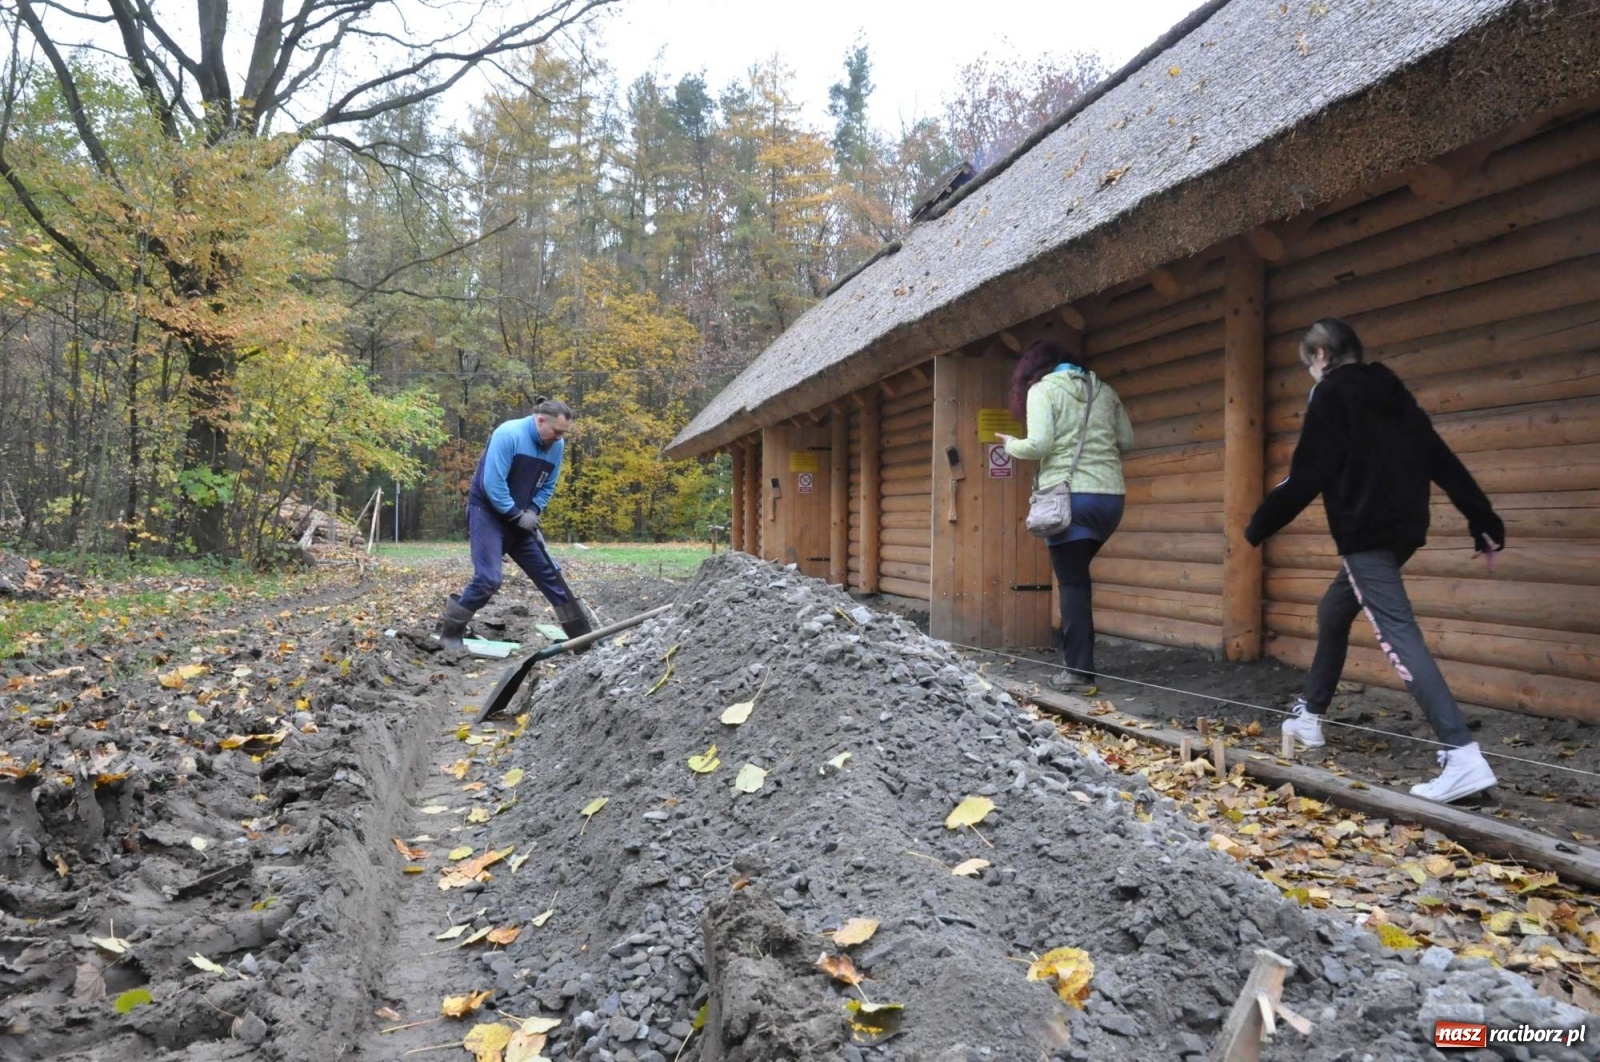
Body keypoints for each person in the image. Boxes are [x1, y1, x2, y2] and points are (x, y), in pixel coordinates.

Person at [1244, 318, 1505, 804]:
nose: (1310, 374)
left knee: (1396, 631)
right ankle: (1310, 719)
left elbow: (1306, 475)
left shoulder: (1331, 395)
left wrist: (1257, 527)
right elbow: (1440, 456)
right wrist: (1481, 517)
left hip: (1365, 531)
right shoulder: (1392, 391)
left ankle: (1461, 754)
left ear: (1320, 355)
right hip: (1404, 529)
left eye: (1308, 364)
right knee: (1335, 610)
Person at [996, 340, 1135, 696]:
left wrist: (1009, 443)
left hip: (1069, 499)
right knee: (1077, 578)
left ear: (1033, 370)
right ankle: (1077, 659)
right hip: (1110, 499)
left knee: (1073, 584)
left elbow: (1038, 445)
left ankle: (1078, 672)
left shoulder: (1043, 390)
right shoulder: (1104, 390)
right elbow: (1126, 440)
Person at [437, 399, 594, 651]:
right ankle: (450, 633)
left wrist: (533, 510)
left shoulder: (556, 445)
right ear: (540, 420)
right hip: (487, 513)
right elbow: (493, 484)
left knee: (552, 575)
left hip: (521, 518)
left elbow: (548, 484)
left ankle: (583, 640)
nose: (559, 438)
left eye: (563, 433)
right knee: (488, 579)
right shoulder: (508, 434)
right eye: (557, 432)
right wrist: (516, 514)